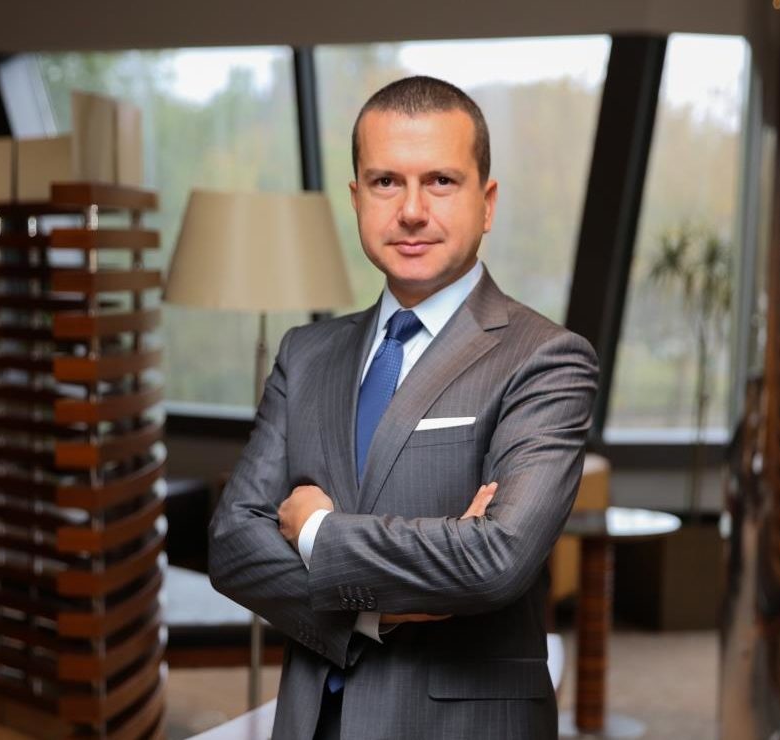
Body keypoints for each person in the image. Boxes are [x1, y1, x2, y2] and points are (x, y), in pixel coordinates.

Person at [209, 75, 598, 739]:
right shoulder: (306, 354)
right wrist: (375, 611)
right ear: (357, 197)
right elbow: (232, 547)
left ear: (487, 203)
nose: (412, 210)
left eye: (441, 181)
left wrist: (316, 532)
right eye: (386, 181)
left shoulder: (546, 358)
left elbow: (495, 561)